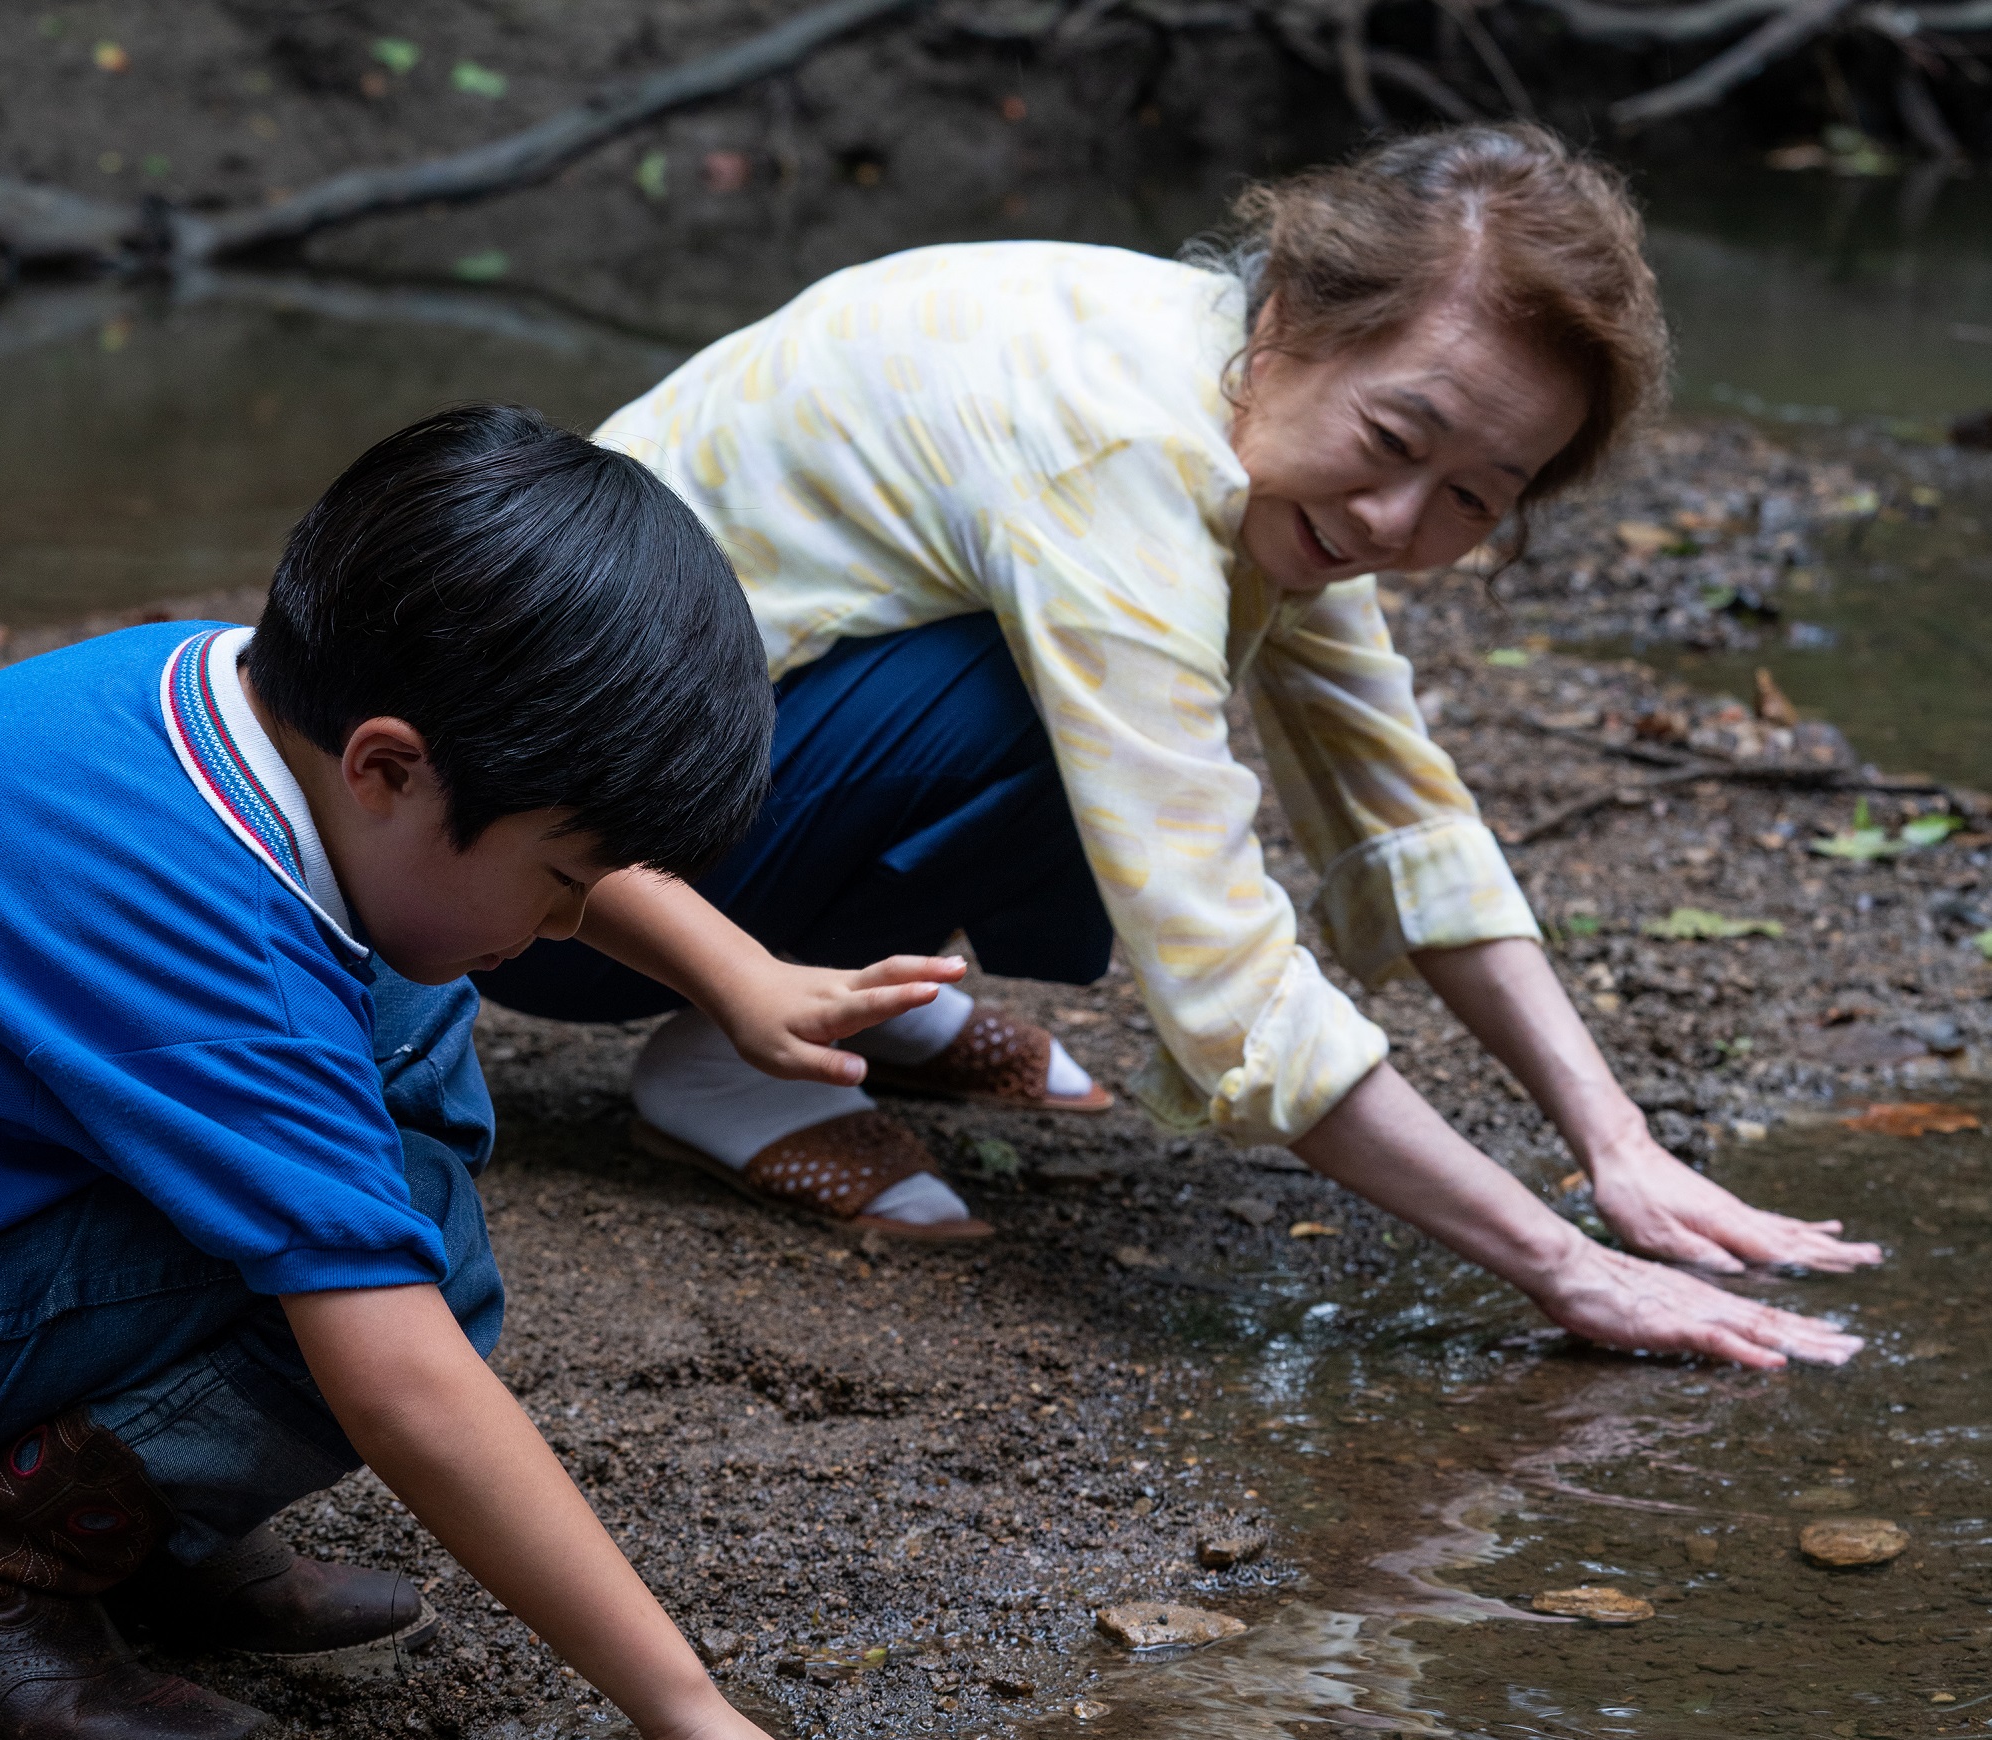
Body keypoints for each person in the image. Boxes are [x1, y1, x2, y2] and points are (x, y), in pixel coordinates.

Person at [477, 122, 1877, 1369]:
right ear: (1291, 314)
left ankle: (855, 978)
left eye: (1471, 497)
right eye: (1397, 437)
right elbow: (1217, 958)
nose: (1397, 521)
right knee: (1052, 707)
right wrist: (1565, 1266)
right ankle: (734, 1055)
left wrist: (1617, 1142)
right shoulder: (1127, 456)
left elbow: (1396, 806)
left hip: (681, 785)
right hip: (547, 887)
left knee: (1091, 676)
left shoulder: (1240, 403)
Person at [0, 403, 925, 1740]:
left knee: (404, 1005)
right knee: (415, 1249)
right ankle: (29, 1554)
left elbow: (524, 818)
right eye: (559, 885)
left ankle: (142, 1514)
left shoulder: (223, 697)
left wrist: (738, 974)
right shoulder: (216, 954)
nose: (565, 922)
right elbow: (407, 1386)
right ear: (385, 768)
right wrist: (684, 1711)